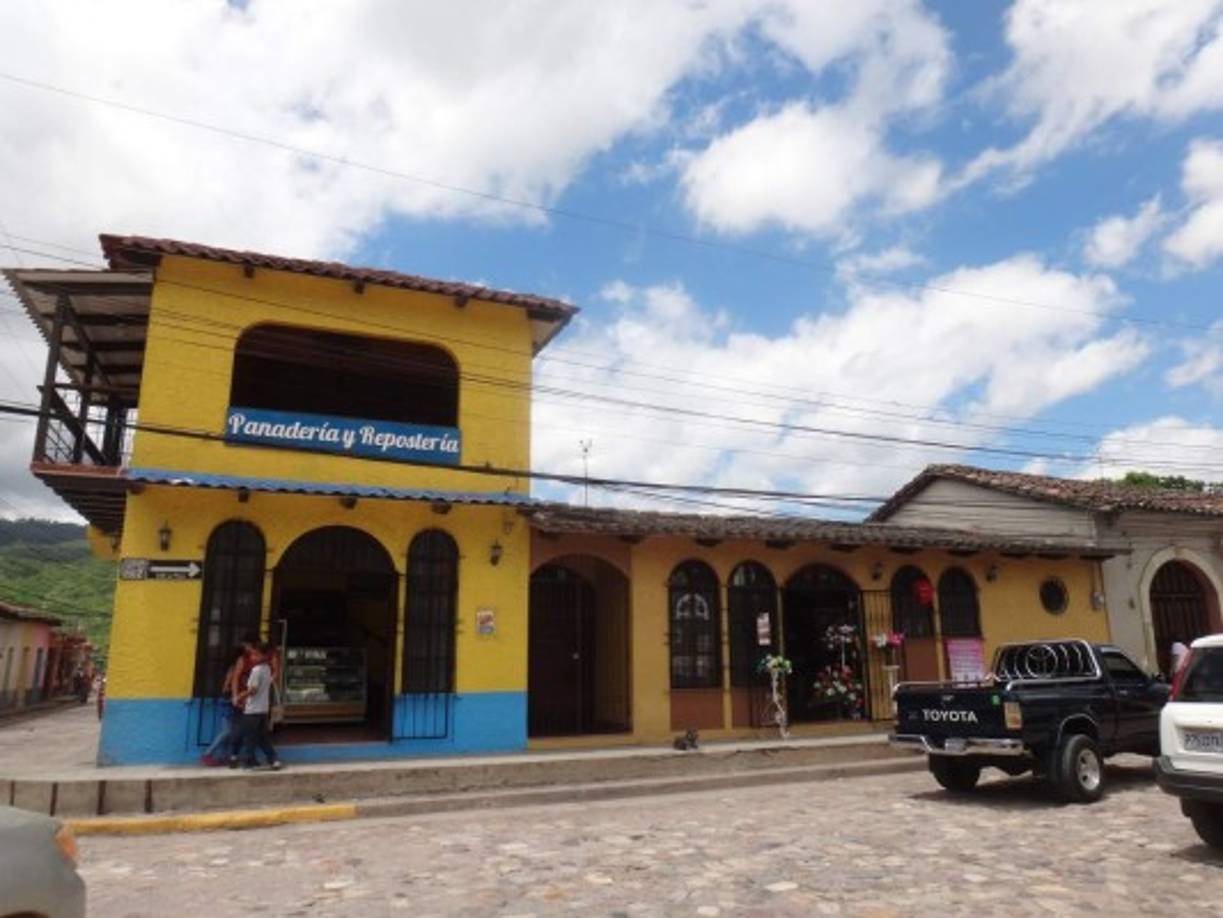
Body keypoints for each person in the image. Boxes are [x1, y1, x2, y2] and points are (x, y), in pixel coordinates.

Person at [231, 642, 282, 771]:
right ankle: (273, 759)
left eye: (255, 655)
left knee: (250, 737)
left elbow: (252, 690)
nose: (252, 657)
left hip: (252, 710)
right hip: (263, 709)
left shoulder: (256, 670)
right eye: (252, 654)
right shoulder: (267, 669)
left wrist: (239, 697)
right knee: (262, 737)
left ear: (263, 656)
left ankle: (249, 762)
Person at [200, 645, 246, 767]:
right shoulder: (235, 668)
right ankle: (207, 754)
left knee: (230, 732)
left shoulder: (234, 668)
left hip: (228, 701)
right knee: (227, 731)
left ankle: (223, 756)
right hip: (228, 701)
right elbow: (227, 686)